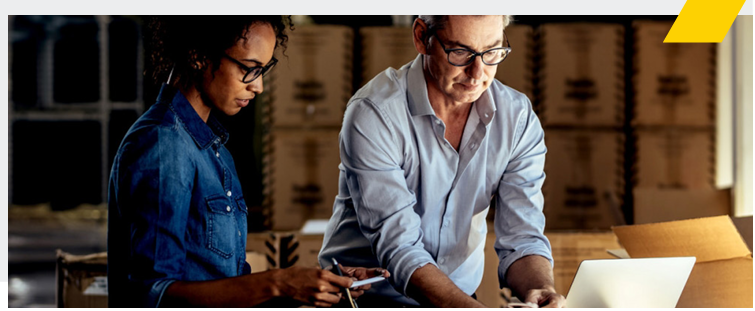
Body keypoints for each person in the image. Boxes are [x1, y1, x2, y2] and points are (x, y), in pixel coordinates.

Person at [107, 16, 387, 308]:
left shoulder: (214, 150)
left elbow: (228, 287)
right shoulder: (164, 145)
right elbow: (152, 296)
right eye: (249, 69)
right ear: (198, 56)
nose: (259, 87)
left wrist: (316, 285)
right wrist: (278, 283)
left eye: (263, 71)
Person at [318, 15, 565, 307]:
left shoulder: (517, 119)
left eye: (492, 52)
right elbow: (400, 248)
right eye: (461, 52)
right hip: (369, 300)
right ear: (422, 37)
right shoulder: (375, 114)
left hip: (458, 300)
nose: (478, 73)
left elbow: (522, 237)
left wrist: (540, 288)